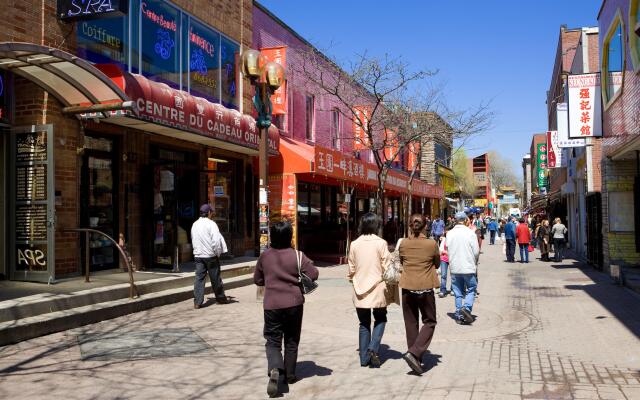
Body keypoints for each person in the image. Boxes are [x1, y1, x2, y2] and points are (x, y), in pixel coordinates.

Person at [254, 221, 319, 398]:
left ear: (273, 236)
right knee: (291, 339)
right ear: (290, 236)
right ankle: (290, 375)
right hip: (294, 303)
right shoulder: (298, 255)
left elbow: (258, 280)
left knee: (273, 340)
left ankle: (276, 369)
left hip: (272, 304)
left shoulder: (265, 256)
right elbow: (313, 274)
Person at [347, 213, 397, 368]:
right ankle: (373, 348)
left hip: (359, 288)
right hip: (378, 287)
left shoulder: (354, 243)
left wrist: (354, 279)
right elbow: (387, 266)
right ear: (376, 226)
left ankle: (363, 358)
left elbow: (351, 268)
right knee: (381, 318)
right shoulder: (381, 243)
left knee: (363, 322)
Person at [398, 214, 440, 375]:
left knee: (411, 323)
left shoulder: (403, 243)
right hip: (425, 288)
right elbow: (437, 263)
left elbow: (402, 261)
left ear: (410, 225)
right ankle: (415, 353)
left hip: (407, 288)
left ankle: (415, 356)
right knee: (430, 321)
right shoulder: (431, 244)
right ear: (425, 226)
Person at [192, 204, 229, 308]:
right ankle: (220, 298)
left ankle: (197, 302)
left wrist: (196, 252)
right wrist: (217, 253)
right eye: (211, 212)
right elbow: (216, 241)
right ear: (208, 213)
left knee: (199, 278)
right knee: (215, 277)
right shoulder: (211, 224)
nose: (212, 214)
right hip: (210, 255)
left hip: (198, 255)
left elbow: (193, 239)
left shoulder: (195, 224)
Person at [447, 211, 480, 325]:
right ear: (465, 220)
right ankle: (466, 308)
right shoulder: (470, 233)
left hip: (455, 267)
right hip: (468, 267)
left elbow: (448, 249)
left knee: (458, 292)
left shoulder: (449, 233)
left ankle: (458, 314)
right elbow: (476, 252)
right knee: (471, 288)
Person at [438, 231, 450, 298]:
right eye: (446, 233)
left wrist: (445, 252)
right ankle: (442, 290)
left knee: (453, 276)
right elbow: (440, 250)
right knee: (443, 275)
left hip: (452, 259)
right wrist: (446, 252)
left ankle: (453, 289)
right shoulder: (444, 239)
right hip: (444, 259)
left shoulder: (453, 239)